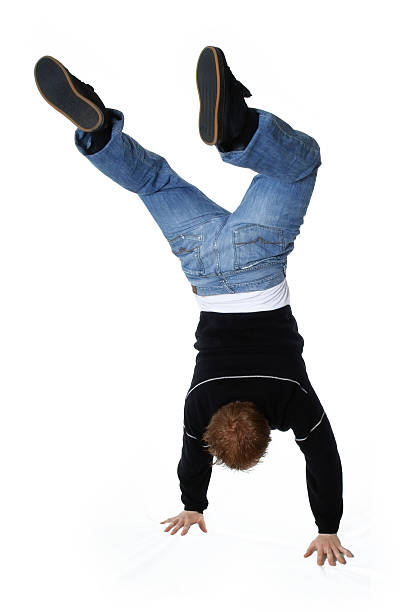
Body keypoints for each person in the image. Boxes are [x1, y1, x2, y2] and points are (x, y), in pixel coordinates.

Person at [34, 46, 354, 567]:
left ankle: (240, 132)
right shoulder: (199, 405)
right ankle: (97, 137)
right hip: (201, 267)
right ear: (216, 427)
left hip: (257, 259)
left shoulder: (292, 400)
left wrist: (328, 527)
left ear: (268, 430)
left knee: (300, 167)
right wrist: (192, 504)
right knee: (155, 180)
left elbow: (324, 459)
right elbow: (191, 457)